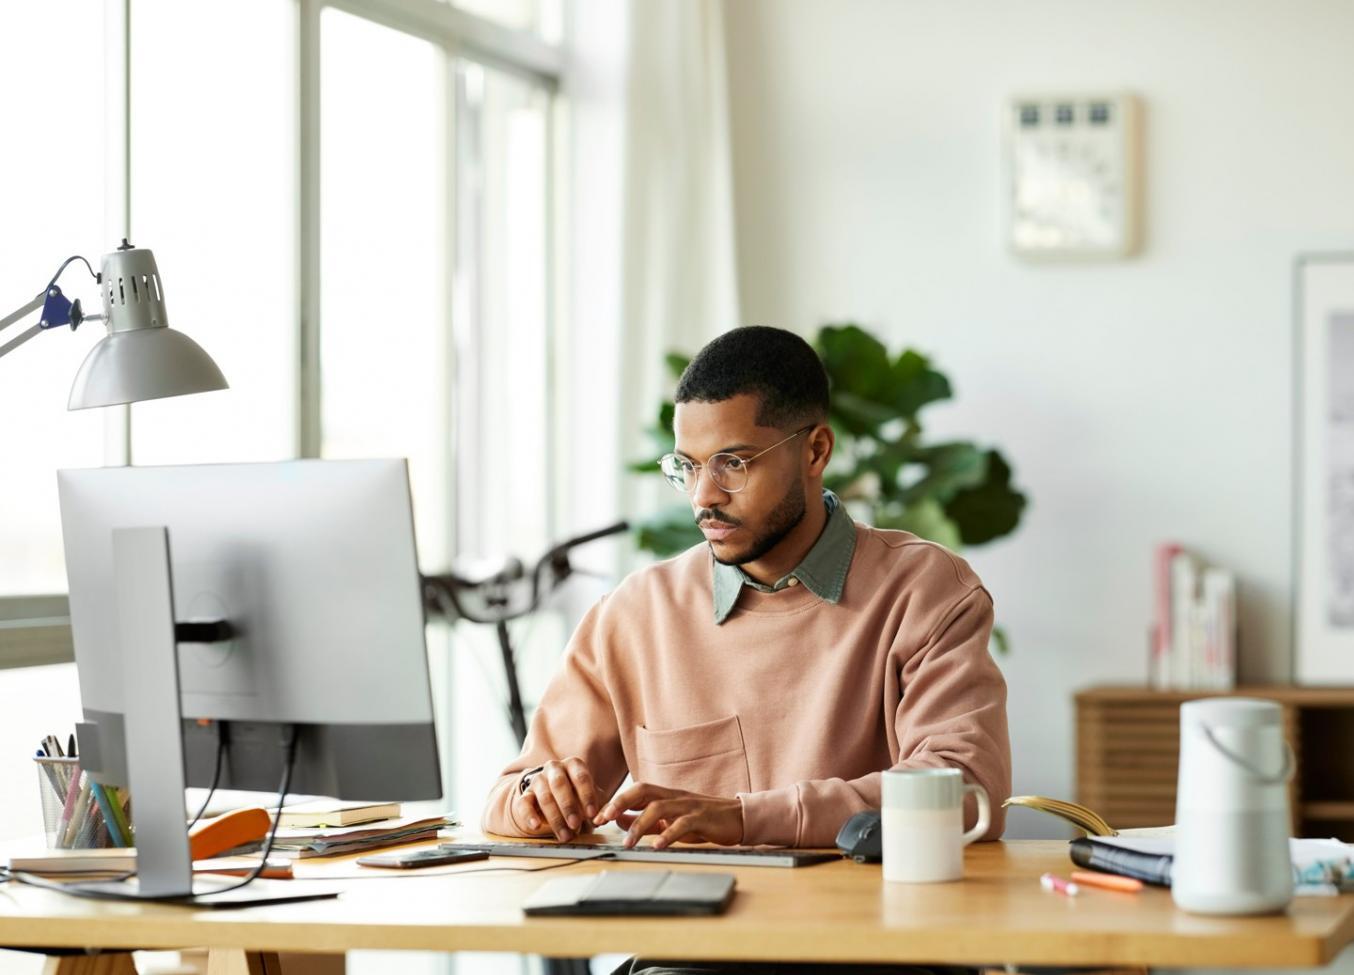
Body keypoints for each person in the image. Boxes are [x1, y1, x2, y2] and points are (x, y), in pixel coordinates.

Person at [482, 325, 1010, 854]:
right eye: (687, 467)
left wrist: (743, 818)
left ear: (816, 451)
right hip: (688, 934)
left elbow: (966, 792)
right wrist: (537, 797)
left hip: (859, 931)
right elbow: (508, 795)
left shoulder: (925, 593)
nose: (703, 497)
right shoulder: (634, 614)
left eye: (732, 464)